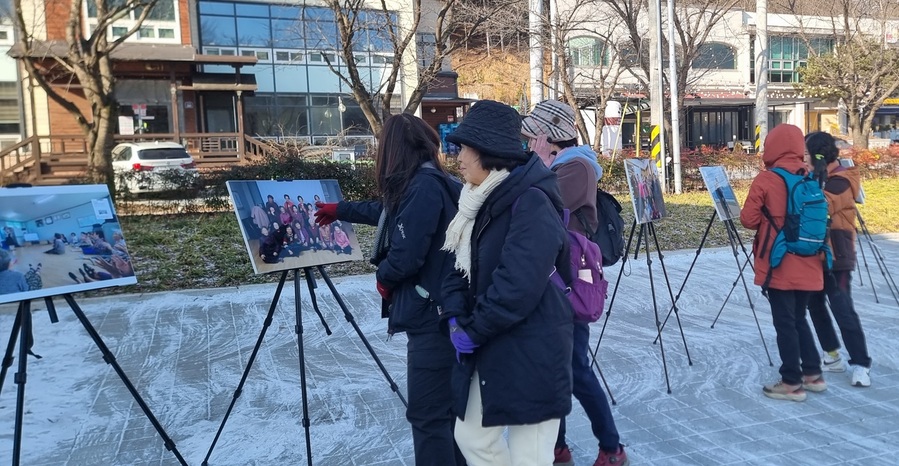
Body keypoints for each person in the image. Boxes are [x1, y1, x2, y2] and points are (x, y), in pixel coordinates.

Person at [314, 113, 464, 466]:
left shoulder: (424, 187)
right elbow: (391, 212)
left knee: (428, 417)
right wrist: (342, 210)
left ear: (393, 152)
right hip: (445, 311)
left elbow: (407, 254)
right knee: (449, 414)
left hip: (432, 319)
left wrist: (384, 277)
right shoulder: (433, 181)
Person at [439, 100, 573, 466]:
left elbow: (517, 286)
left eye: (464, 148)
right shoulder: (476, 200)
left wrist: (473, 330)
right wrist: (453, 316)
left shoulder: (531, 201)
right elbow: (455, 267)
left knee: (530, 456)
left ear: (489, 152)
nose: (458, 157)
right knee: (469, 435)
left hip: (533, 347)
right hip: (494, 343)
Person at [522, 99, 628, 466]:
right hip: (547, 276)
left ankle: (612, 448)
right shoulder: (553, 165)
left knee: (574, 368)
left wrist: (536, 166)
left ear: (549, 137)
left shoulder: (577, 167)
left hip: (568, 281)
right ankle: (557, 446)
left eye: (531, 135)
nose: (526, 142)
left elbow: (537, 204)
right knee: (553, 367)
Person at [740, 124, 826, 402]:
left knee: (784, 323)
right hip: (810, 260)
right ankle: (813, 375)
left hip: (779, 262)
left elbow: (748, 220)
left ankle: (791, 383)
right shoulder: (811, 176)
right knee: (800, 318)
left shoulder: (766, 179)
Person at [805, 131, 873, 387]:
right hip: (815, 252)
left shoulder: (841, 180)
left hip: (838, 254)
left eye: (806, 153)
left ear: (818, 154)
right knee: (815, 304)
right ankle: (832, 355)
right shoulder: (818, 177)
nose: (804, 158)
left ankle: (860, 363)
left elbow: (821, 204)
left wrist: (809, 181)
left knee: (842, 308)